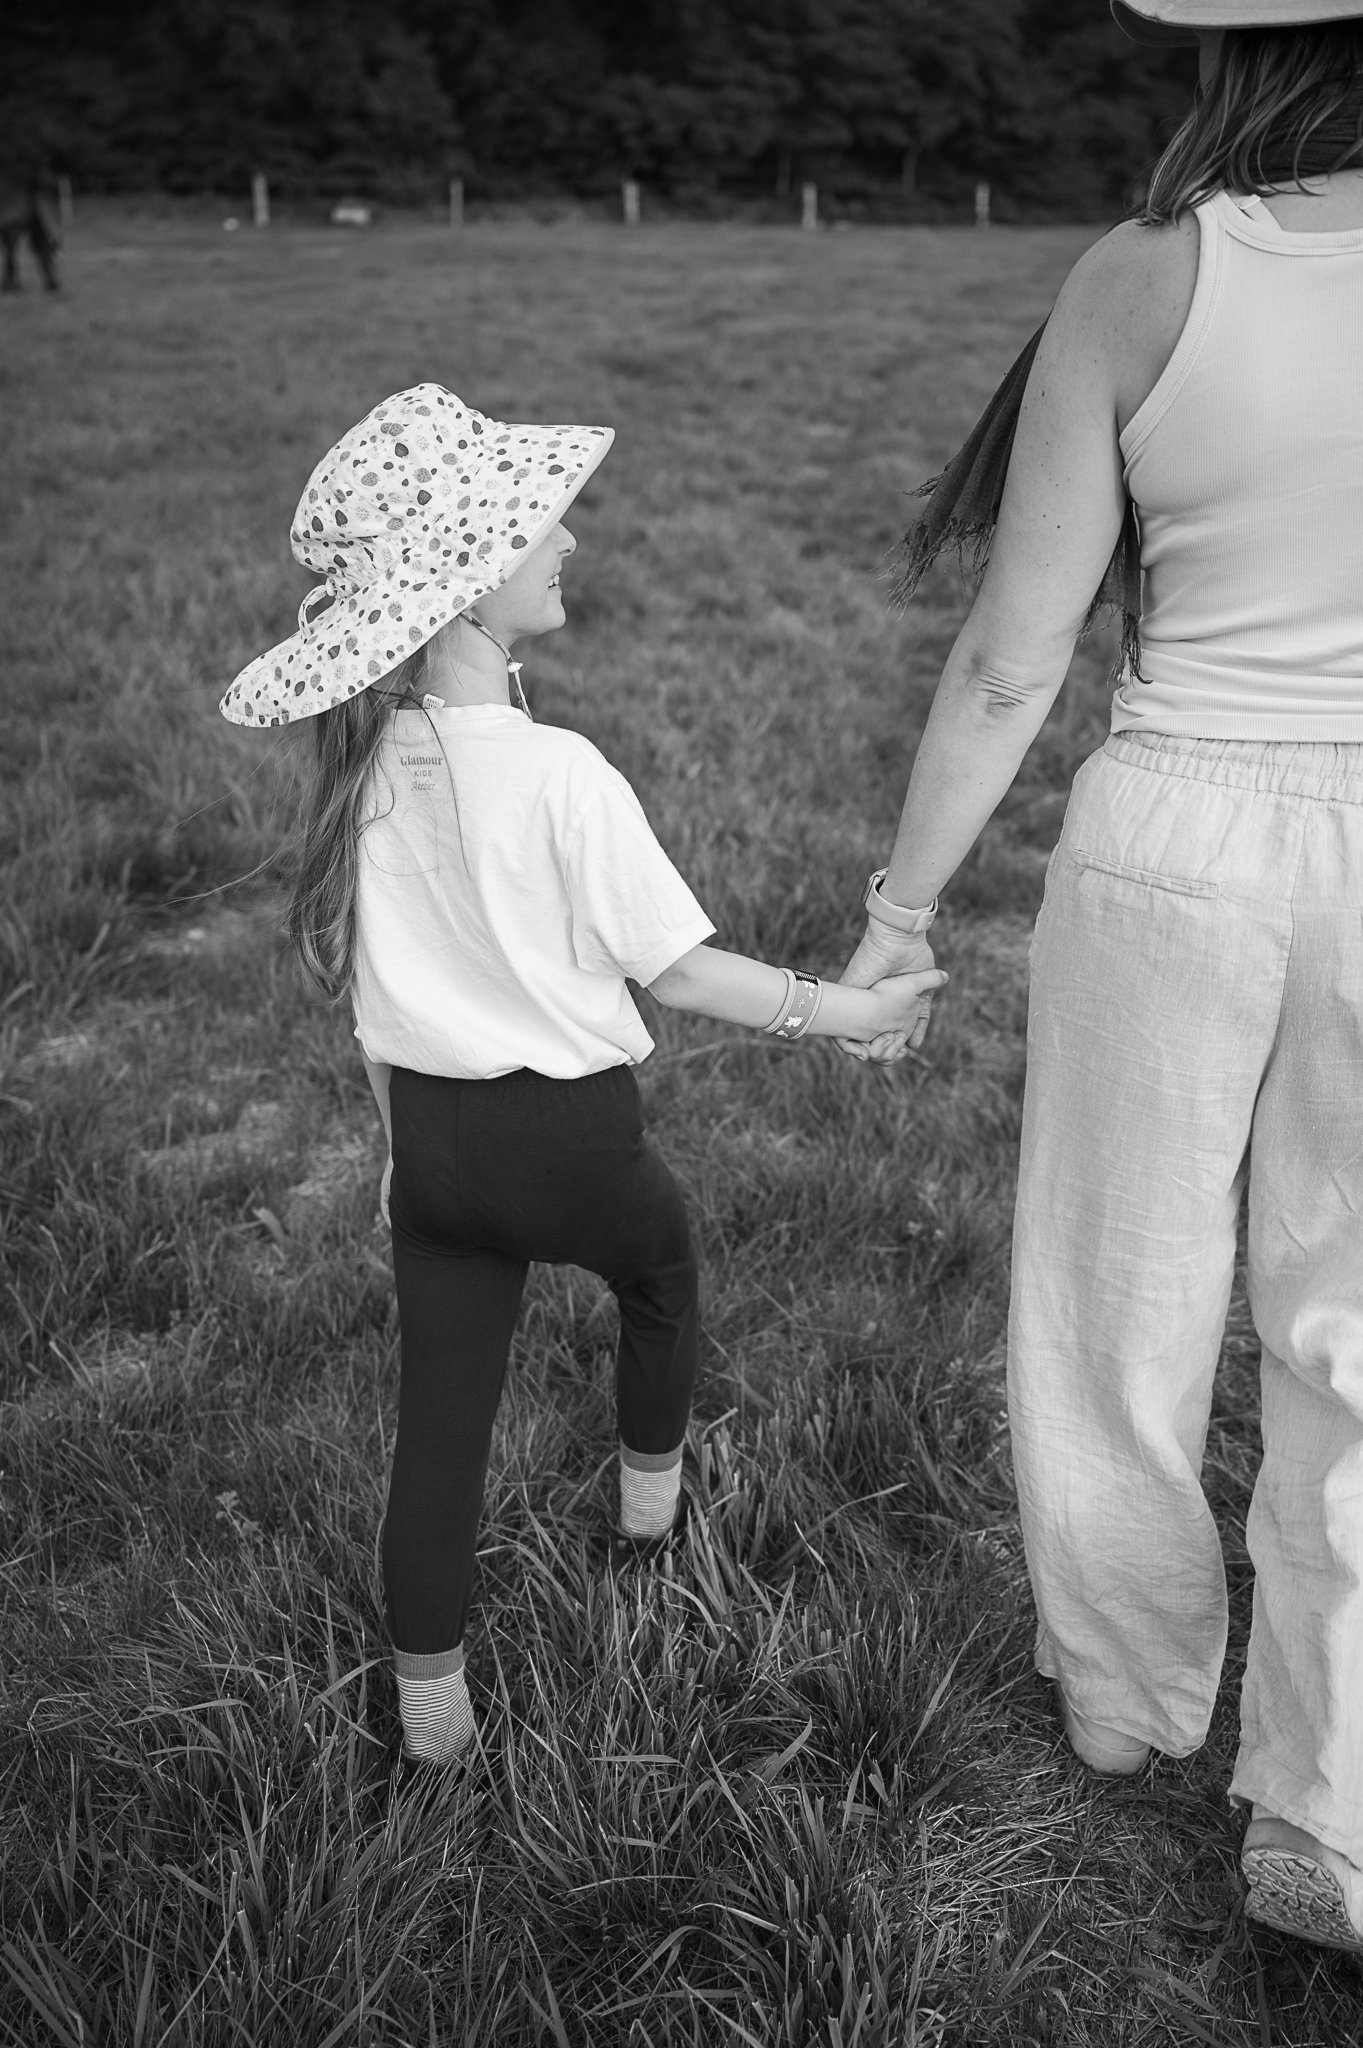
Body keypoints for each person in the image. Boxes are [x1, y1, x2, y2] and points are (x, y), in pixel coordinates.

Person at [837, 0, 1363, 1954]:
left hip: (1170, 845)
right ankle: (1326, 1799)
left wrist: (900, 911)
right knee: (1356, 1331)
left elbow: (1007, 657)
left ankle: (1132, 1699)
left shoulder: (1147, 272)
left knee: (1113, 1301)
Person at [221, 384, 946, 1769]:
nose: (570, 541)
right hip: (574, 1147)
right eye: (539, 525)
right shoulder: (561, 776)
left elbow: (379, 1017)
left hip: (432, 1152)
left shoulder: (368, 771)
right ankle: (647, 1516)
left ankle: (430, 1719)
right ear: (470, 585)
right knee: (661, 1272)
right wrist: (849, 1008)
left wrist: (392, 1160)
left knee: (438, 1427)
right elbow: (679, 970)